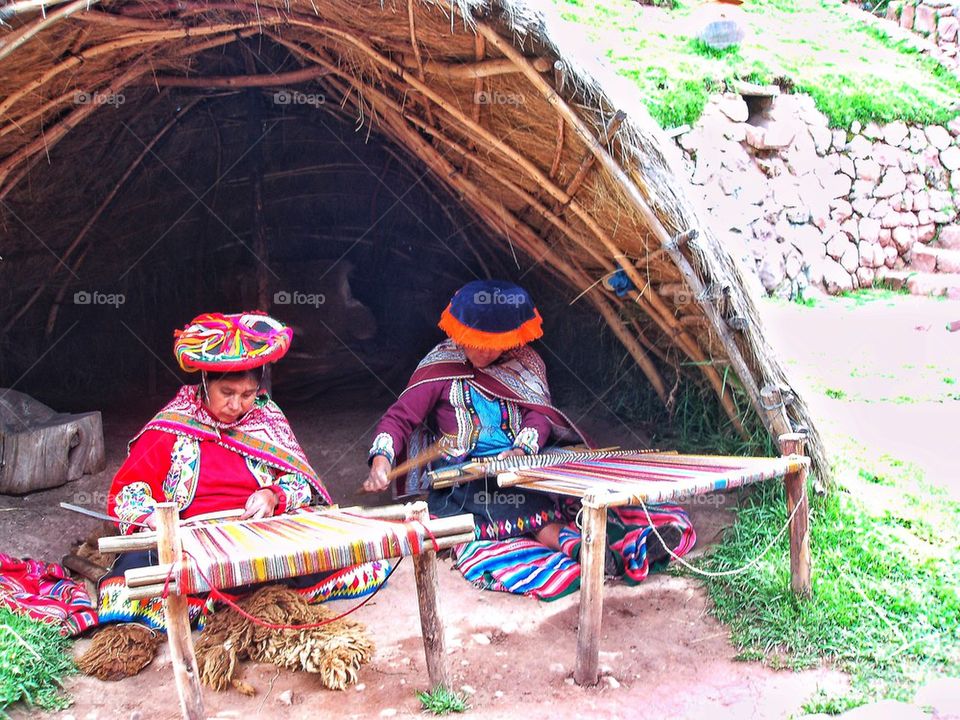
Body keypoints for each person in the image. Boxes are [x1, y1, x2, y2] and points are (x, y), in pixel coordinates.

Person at [83, 312, 388, 679]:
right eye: (227, 393)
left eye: (247, 394)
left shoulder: (266, 417)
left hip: (256, 535)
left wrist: (272, 495)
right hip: (192, 542)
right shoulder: (171, 426)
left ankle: (242, 593)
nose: (237, 405)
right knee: (135, 569)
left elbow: (300, 483)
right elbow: (127, 496)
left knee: (340, 547)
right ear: (205, 382)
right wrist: (165, 522)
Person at [363, 280, 696, 600]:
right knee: (510, 499)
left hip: (523, 462)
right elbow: (399, 417)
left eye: (491, 344)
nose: (481, 350)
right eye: (474, 341)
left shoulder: (526, 363)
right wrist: (382, 461)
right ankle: (583, 549)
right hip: (465, 477)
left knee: (578, 490)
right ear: (459, 333)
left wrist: (522, 448)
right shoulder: (440, 368)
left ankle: (628, 541)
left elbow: (540, 415)